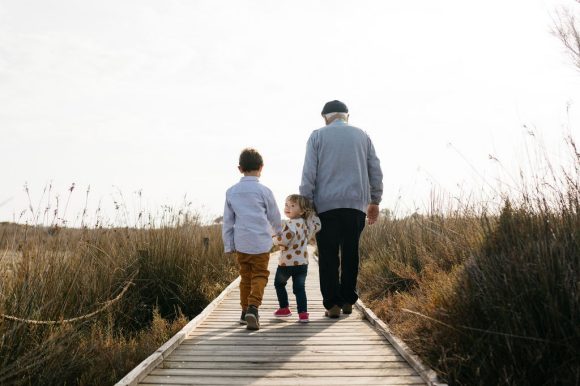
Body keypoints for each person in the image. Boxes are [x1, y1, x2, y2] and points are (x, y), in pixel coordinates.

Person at [300, 100, 383, 318]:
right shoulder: (362, 136)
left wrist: (306, 205)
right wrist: (375, 200)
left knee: (328, 255)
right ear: (347, 116)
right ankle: (348, 299)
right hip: (356, 206)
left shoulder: (317, 136)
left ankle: (332, 305)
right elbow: (375, 169)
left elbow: (309, 173)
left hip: (326, 206)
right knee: (350, 252)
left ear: (325, 117)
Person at [222, 148, 282, 330]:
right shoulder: (265, 191)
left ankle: (243, 312)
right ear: (261, 167)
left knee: (245, 277)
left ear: (240, 168)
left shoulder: (231, 192)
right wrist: (278, 234)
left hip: (242, 243)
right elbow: (274, 216)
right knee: (260, 275)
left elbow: (228, 222)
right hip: (261, 244)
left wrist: (228, 245)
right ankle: (253, 307)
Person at [272, 194, 321, 323]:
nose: (288, 208)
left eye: (292, 206)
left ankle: (284, 308)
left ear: (302, 210)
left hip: (286, 264)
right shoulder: (307, 224)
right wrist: (311, 214)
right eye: (286, 205)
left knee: (279, 284)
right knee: (299, 288)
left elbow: (283, 240)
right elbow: (318, 225)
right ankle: (303, 313)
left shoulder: (290, 225)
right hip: (302, 263)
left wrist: (273, 237)